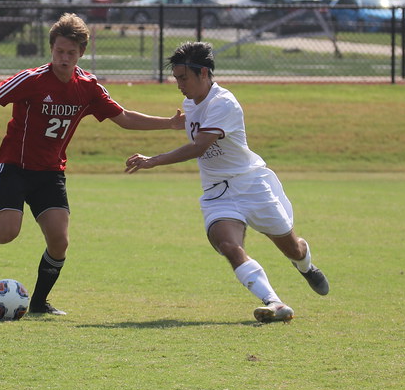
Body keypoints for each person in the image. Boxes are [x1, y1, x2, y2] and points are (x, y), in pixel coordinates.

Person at [0, 13, 184, 316]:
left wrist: (169, 124)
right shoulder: (32, 80)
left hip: (51, 173)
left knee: (59, 241)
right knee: (7, 232)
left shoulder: (88, 87)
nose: (64, 58)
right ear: (51, 49)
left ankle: (38, 303)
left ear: (81, 54)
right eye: (59, 51)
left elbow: (124, 117)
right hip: (14, 167)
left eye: (71, 53)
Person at [124, 41, 328, 323]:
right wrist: (172, 123)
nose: (179, 85)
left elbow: (199, 147)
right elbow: (190, 126)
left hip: (251, 185)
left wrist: (154, 160)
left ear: (204, 73)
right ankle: (275, 303)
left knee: (292, 247)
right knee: (228, 246)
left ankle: (305, 265)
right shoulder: (189, 102)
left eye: (183, 78)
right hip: (218, 193)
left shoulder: (224, 103)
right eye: (176, 78)